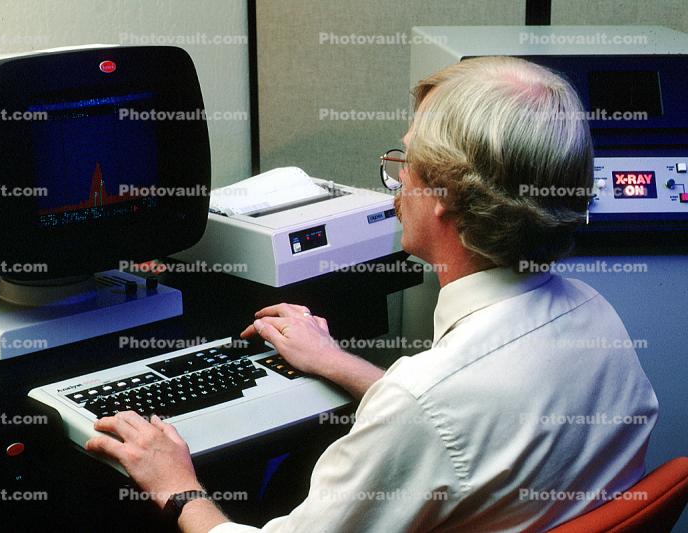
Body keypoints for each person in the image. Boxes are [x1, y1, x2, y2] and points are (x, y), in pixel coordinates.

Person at [86, 56, 658, 532]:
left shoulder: (426, 400)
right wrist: (339, 363)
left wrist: (176, 484)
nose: (395, 186)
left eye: (404, 163)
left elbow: (442, 412)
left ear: (443, 196)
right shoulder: (594, 314)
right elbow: (479, 426)